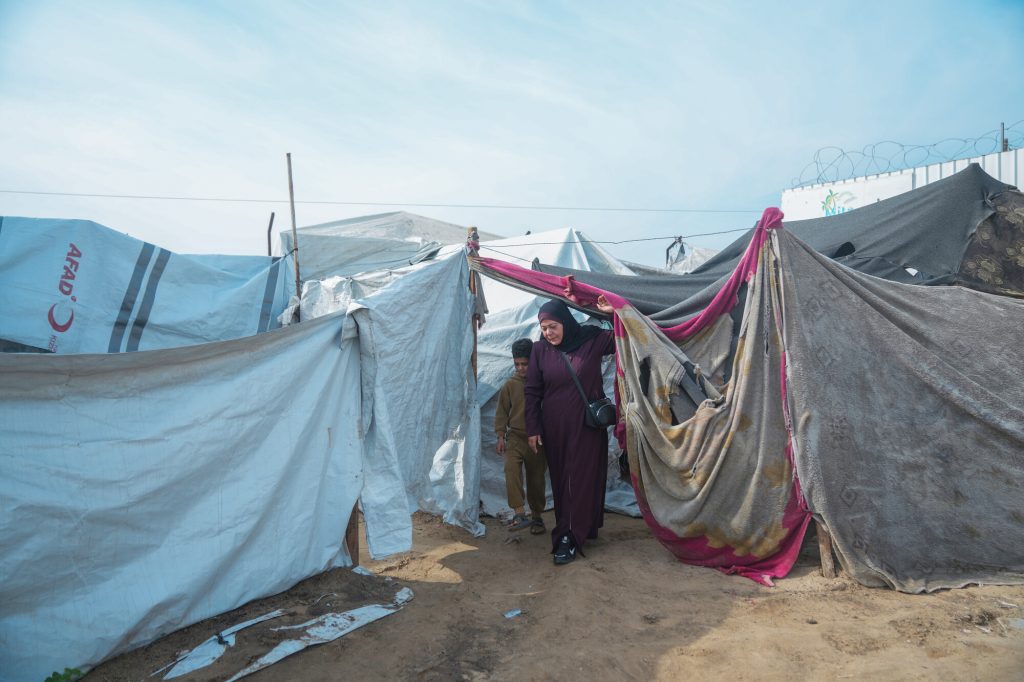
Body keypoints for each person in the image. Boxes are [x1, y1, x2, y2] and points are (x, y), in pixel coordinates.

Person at [524, 297, 615, 565]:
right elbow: (531, 392)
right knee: (564, 480)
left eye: (553, 326)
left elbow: (626, 334)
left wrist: (612, 312)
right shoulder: (540, 351)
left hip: (586, 426)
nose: (549, 333)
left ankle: (569, 536)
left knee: (580, 478)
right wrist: (533, 428)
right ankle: (581, 527)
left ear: (565, 321)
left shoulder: (592, 339)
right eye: (544, 328)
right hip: (555, 428)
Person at [495, 338, 547, 535]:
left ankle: (537, 517)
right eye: (517, 364)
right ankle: (519, 512)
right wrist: (500, 436)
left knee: (536, 479)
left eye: (525, 364)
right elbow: (501, 412)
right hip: (515, 437)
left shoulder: (543, 383)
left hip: (538, 440)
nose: (521, 368)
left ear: (533, 362)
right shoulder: (510, 385)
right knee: (511, 471)